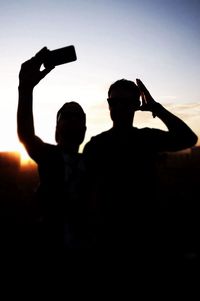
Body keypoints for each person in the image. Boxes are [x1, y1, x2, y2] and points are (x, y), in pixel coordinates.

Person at [83, 78, 198, 258]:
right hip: (108, 241)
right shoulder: (96, 145)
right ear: (109, 105)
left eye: (126, 102)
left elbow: (188, 139)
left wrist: (157, 108)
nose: (119, 107)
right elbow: (85, 195)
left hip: (147, 239)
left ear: (136, 106)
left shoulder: (147, 138)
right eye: (114, 102)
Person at [17, 47, 87, 250]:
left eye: (78, 117)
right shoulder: (49, 156)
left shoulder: (93, 159)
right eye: (67, 115)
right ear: (57, 128)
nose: (72, 119)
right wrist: (25, 89)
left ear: (84, 129)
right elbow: (26, 135)